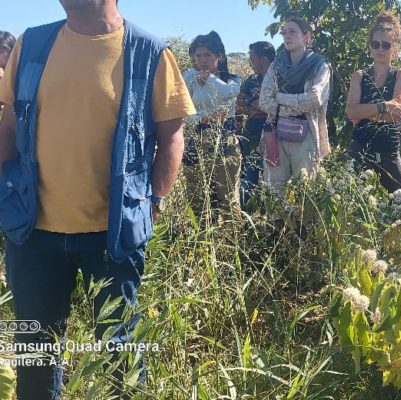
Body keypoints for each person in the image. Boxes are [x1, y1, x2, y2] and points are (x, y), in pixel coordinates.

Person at [0, 0, 195, 397]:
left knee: (118, 353)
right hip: (31, 232)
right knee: (34, 353)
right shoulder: (31, 44)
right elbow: (8, 126)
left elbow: (171, 135)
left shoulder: (150, 52)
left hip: (113, 236)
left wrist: (153, 203)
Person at [259, 17, 331, 191]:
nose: (286, 36)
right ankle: (277, 220)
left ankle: (303, 220)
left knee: (306, 191)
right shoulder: (276, 66)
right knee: (274, 190)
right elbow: (264, 101)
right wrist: (297, 104)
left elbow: (313, 100)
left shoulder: (320, 66)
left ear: (307, 37)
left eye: (292, 31)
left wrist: (281, 98)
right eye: (284, 32)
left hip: (307, 134)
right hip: (275, 133)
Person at [346, 11, 401, 192]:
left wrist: (364, 113)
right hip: (359, 150)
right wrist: (383, 107)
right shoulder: (360, 76)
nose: (380, 49)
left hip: (388, 151)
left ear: (395, 47)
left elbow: (397, 113)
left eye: (386, 44)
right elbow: (351, 113)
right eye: (376, 44)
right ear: (370, 47)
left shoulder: (400, 74)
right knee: (356, 207)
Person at [182, 31, 242, 216]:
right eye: (198, 56)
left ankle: (229, 238)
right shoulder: (190, 77)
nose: (202, 60)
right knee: (197, 196)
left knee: (227, 197)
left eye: (207, 55)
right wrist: (202, 118)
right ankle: (200, 240)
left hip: (225, 140)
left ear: (220, 56)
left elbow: (227, 93)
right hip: (196, 139)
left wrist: (210, 78)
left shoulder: (233, 80)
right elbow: (183, 110)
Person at [236, 41, 275, 207]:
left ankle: (270, 216)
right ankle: (247, 217)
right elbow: (240, 105)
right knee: (249, 177)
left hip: (274, 136)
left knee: (273, 179)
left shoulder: (279, 79)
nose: (250, 63)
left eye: (252, 59)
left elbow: (276, 107)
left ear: (264, 60)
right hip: (250, 136)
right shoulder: (251, 80)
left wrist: (258, 105)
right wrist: (259, 106)